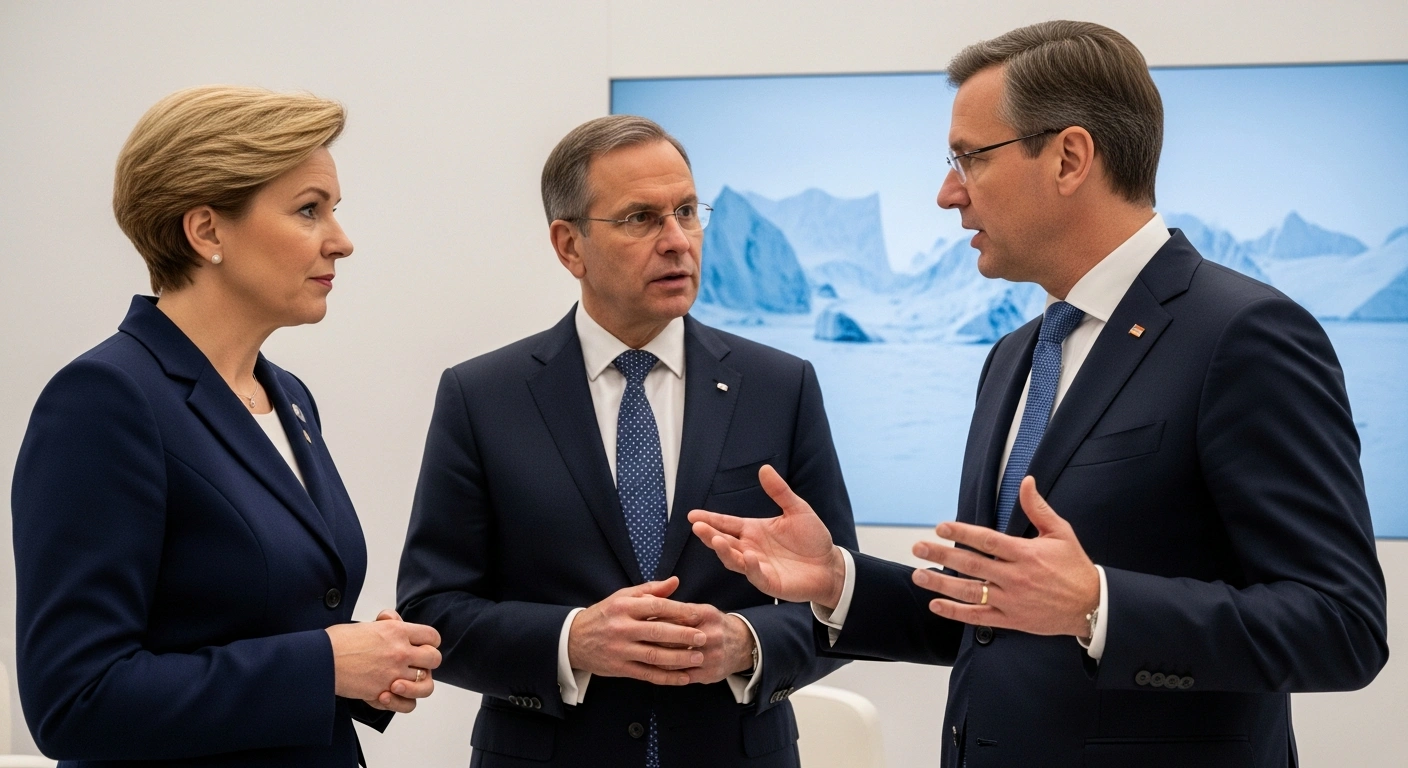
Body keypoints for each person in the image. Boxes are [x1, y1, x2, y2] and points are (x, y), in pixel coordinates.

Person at [688, 20, 1388, 768]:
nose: (946, 193)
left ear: (1069, 157)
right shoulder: (1015, 357)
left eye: (969, 158)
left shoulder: (1244, 336)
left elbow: (1342, 626)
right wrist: (839, 581)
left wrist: (1098, 604)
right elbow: (990, 610)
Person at [396, 115, 858, 767]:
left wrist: (744, 642)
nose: (677, 241)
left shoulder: (780, 387)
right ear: (569, 245)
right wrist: (572, 640)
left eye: (688, 212)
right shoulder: (482, 397)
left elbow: (844, 601)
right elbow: (432, 610)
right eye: (641, 218)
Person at [11, 86, 442, 767]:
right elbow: (75, 699)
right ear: (207, 231)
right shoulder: (105, 400)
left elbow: (260, 624)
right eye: (309, 210)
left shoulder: (288, 397)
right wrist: (324, 663)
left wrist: (367, 666)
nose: (343, 240)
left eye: (334, 209)